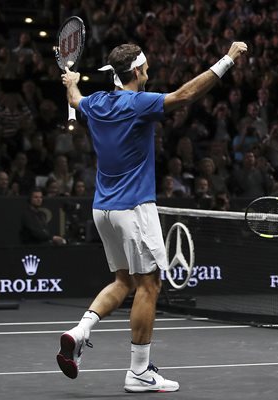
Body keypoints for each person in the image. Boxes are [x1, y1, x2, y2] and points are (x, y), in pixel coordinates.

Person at [58, 41, 247, 392]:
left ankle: (79, 330)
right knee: (149, 285)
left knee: (123, 281)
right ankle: (139, 372)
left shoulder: (96, 103)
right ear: (138, 72)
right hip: (134, 209)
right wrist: (228, 60)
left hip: (103, 209)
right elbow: (186, 95)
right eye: (146, 69)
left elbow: (75, 100)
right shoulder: (139, 104)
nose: (149, 73)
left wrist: (71, 83)